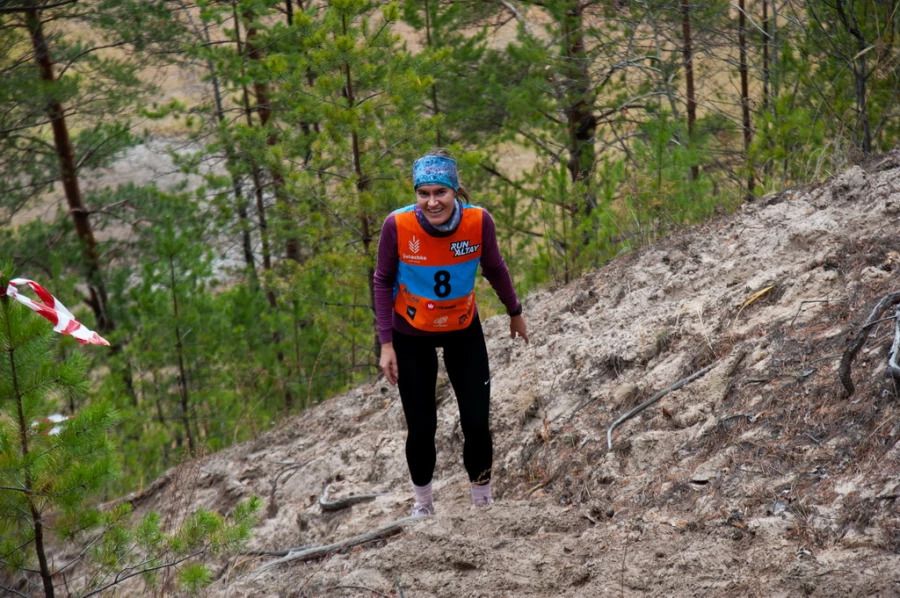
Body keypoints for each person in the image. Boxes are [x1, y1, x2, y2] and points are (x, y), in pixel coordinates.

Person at [373, 149, 528, 518]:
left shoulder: (478, 221)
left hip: (463, 328)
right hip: (411, 332)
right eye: (423, 193)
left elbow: (494, 267)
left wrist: (515, 312)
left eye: (440, 192)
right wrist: (386, 343)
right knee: (422, 426)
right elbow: (381, 281)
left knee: (476, 420)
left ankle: (482, 501)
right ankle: (423, 505)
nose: (432, 202)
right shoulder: (397, 225)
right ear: (415, 194)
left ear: (455, 190)